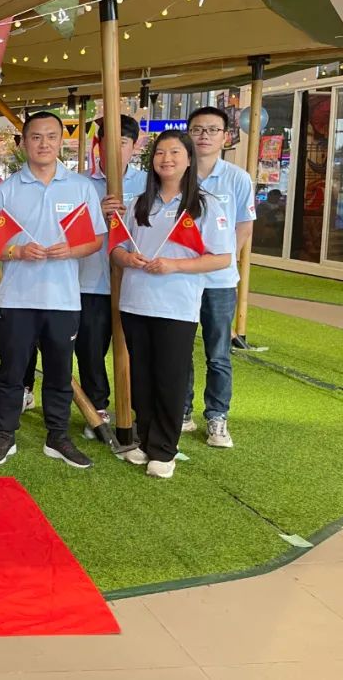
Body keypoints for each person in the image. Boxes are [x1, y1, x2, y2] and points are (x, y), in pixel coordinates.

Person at [0, 110, 106, 469]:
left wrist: (72, 250)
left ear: (61, 141)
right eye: (36, 137)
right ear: (24, 143)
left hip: (63, 300)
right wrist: (16, 252)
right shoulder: (6, 190)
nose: (44, 143)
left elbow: (96, 240)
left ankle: (57, 437)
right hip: (17, 298)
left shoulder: (80, 187)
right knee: (11, 371)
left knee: (59, 371)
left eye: (51, 136)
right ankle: (5, 434)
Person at [112, 130, 233, 477]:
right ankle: (147, 441)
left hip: (176, 307)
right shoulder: (140, 203)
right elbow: (118, 247)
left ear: (189, 159)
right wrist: (127, 258)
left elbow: (222, 257)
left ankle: (165, 449)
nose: (166, 159)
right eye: (160, 153)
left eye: (175, 152)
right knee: (142, 378)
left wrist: (175, 265)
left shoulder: (205, 205)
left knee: (170, 378)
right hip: (135, 304)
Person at [183, 106, 255, 447]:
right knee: (179, 348)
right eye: (198, 129)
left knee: (218, 352)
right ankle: (182, 411)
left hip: (219, 281)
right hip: (180, 277)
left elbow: (244, 226)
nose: (205, 136)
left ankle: (217, 416)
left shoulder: (238, 178)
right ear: (188, 134)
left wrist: (220, 261)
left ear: (225, 137)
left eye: (212, 130)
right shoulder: (178, 172)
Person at [76, 115, 148, 436]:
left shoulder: (148, 184)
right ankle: (98, 406)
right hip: (91, 281)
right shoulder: (80, 184)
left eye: (123, 143)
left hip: (136, 282)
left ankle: (139, 409)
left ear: (134, 146)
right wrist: (97, 214)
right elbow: (68, 232)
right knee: (90, 348)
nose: (116, 149)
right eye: (109, 142)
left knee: (138, 350)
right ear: (99, 145)